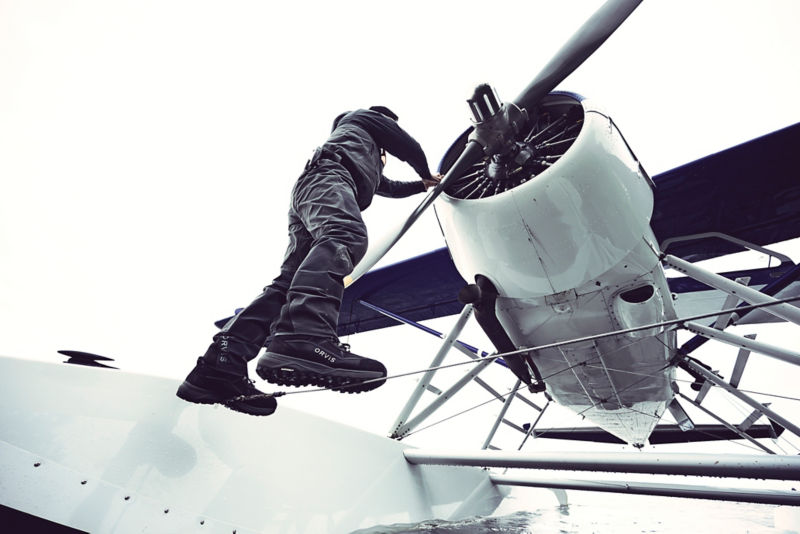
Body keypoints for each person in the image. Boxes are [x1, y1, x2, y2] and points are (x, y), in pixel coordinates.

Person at [176, 106, 441, 416]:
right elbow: (408, 146)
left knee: (287, 283)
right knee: (345, 235)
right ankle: (306, 336)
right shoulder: (363, 120)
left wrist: (421, 186)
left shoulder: (357, 152)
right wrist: (427, 172)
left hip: (315, 190)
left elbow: (388, 187)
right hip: (328, 181)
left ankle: (220, 367)